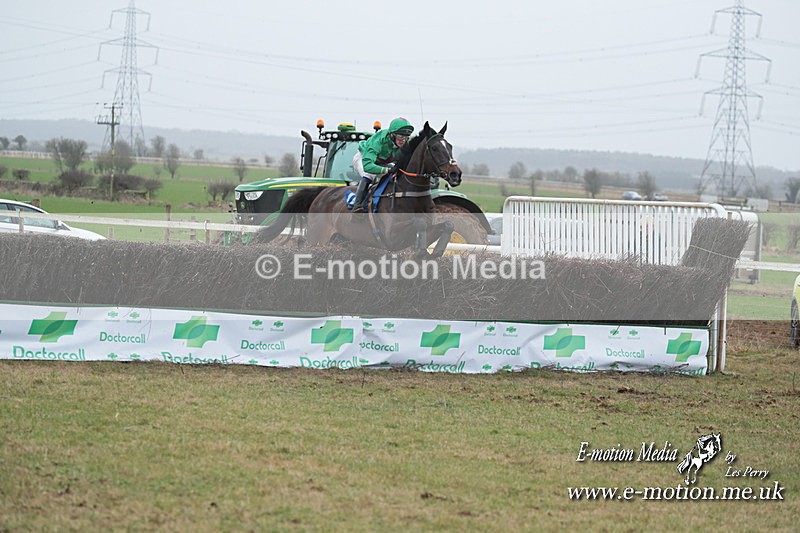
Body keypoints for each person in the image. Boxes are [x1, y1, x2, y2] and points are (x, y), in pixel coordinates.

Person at [351, 117, 414, 213]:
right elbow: (367, 166)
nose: (403, 140)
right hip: (363, 159)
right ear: (392, 135)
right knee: (369, 175)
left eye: (406, 137)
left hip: (382, 162)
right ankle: (357, 205)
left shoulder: (404, 142)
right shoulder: (378, 141)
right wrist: (386, 170)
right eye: (400, 137)